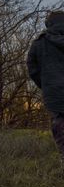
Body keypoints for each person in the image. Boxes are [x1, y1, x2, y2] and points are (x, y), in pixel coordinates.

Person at [27, 10, 64, 169]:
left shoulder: (38, 44)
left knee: (60, 131)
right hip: (54, 92)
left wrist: (46, 84)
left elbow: (32, 68)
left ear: (49, 24)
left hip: (54, 95)